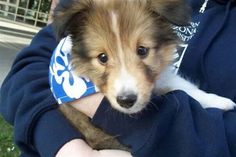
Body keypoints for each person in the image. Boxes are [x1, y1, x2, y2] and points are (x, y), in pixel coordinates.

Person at [0, 0, 236, 156]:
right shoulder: (82, 22)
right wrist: (62, 144)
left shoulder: (162, 9)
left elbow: (166, 79)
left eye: (141, 51)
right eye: (103, 57)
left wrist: (201, 98)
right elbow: (24, 74)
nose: (126, 84)